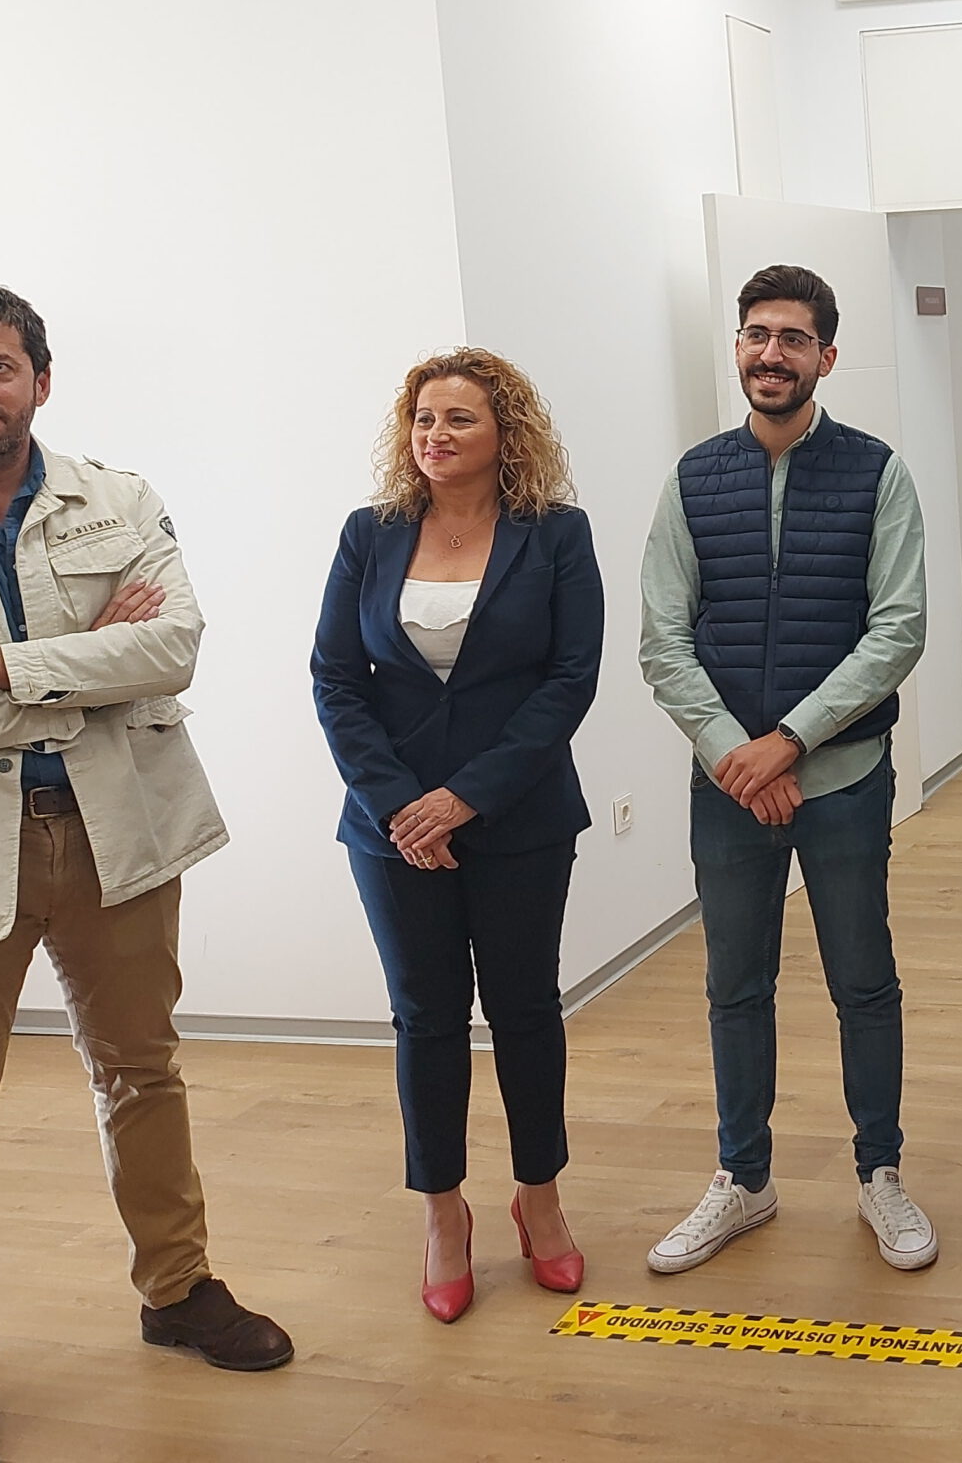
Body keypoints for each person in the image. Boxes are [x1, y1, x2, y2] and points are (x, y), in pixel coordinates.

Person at [0, 282, 292, 1461]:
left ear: (40, 380)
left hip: (116, 829)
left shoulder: (119, 499)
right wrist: (84, 667)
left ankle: (178, 1290)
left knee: (142, 1072)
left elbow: (172, 645)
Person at [639, 263, 934, 1276]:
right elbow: (662, 641)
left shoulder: (877, 473)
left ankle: (880, 1173)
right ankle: (743, 1179)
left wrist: (790, 741)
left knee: (863, 980)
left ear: (826, 357)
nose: (772, 354)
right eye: (757, 334)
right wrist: (738, 754)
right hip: (730, 785)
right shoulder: (693, 479)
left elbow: (896, 631)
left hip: (842, 777)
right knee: (735, 986)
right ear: (738, 348)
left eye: (794, 338)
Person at [310, 348, 602, 1325]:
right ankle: (443, 1214)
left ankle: (540, 1199)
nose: (435, 435)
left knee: (525, 1010)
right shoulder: (370, 534)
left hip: (520, 815)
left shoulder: (555, 534)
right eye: (424, 419)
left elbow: (570, 679)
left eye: (459, 418)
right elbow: (336, 678)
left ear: (505, 432)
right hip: (391, 829)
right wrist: (403, 805)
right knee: (426, 1017)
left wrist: (465, 797)